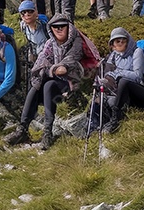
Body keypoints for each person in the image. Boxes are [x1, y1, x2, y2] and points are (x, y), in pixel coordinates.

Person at [5, 12, 85, 150]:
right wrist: (53, 70)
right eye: (55, 27)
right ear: (51, 28)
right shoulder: (50, 43)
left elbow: (69, 63)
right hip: (53, 79)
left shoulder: (76, 41)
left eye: (62, 26)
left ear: (68, 27)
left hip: (71, 82)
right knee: (37, 85)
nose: (59, 29)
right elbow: (40, 64)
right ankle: (22, 128)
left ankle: (47, 131)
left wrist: (51, 69)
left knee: (48, 84)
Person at [94, 27, 144, 133]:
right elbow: (107, 73)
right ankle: (94, 123)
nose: (121, 43)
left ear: (128, 41)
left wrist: (118, 73)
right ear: (112, 44)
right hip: (123, 95)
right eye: (117, 41)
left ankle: (115, 119)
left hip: (142, 93)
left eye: (123, 40)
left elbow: (138, 76)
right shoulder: (113, 55)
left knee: (124, 81)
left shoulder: (137, 52)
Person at [17, 0, 49, 85]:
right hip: (34, 54)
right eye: (23, 13)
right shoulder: (23, 25)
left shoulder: (44, 25)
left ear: (36, 12)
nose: (26, 15)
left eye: (30, 11)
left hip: (48, 56)